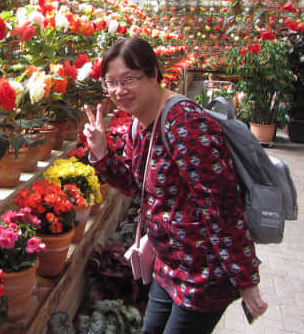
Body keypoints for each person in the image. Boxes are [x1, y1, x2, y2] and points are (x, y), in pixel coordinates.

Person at [83, 37, 267, 334]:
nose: (119, 91)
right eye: (111, 82)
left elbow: (223, 208)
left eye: (129, 79)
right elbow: (136, 186)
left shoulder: (185, 124)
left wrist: (246, 280)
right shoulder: (139, 123)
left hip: (203, 276)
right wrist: (102, 153)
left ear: (155, 74)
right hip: (168, 266)